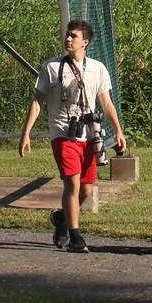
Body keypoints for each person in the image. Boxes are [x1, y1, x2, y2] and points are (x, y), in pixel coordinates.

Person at [19, 19, 126, 254]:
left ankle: (61, 219)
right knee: (72, 182)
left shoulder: (98, 68)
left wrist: (118, 131)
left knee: (86, 189)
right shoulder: (52, 67)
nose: (68, 39)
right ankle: (76, 237)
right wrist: (26, 133)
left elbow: (106, 102)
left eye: (74, 36)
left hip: (89, 134)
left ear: (85, 42)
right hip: (62, 133)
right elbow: (38, 101)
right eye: (67, 35)